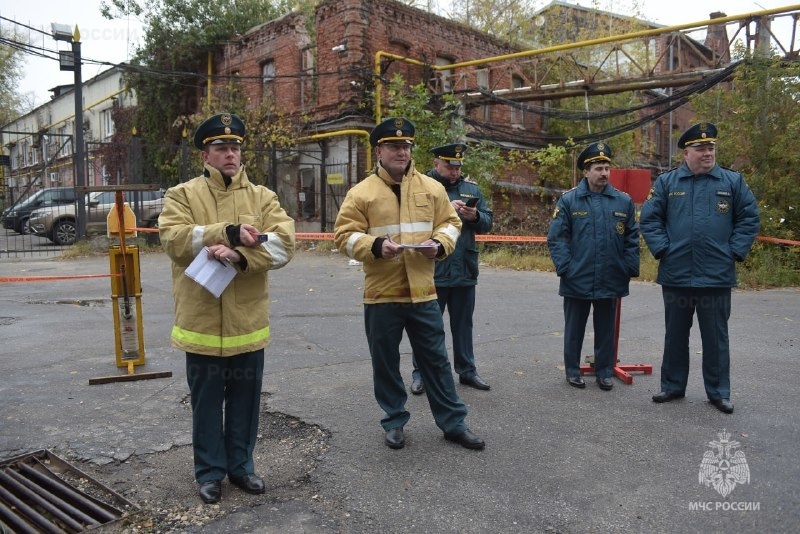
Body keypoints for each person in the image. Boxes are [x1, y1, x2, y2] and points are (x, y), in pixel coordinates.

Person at [159, 112, 296, 504]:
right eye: (221, 148)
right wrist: (225, 232)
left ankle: (242, 468)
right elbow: (174, 240)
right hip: (200, 323)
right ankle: (209, 473)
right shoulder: (182, 195)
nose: (230, 154)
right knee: (205, 406)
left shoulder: (262, 197)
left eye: (235, 147)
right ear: (206, 155)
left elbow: (285, 244)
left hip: (247, 323)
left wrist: (238, 255)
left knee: (245, 403)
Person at [333, 117, 485, 451]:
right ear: (379, 151)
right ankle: (394, 421)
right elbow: (343, 236)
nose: (401, 152)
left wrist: (440, 243)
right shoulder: (361, 193)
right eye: (393, 146)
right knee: (385, 362)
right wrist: (375, 246)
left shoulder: (432, 189)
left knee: (436, 361)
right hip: (381, 293)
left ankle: (453, 423)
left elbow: (450, 222)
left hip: (423, 292)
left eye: (406, 146)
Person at [640, 122, 759, 414]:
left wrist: (732, 252)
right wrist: (664, 250)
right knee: (675, 334)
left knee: (716, 336)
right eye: (701, 148)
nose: (708, 153)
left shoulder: (732, 182)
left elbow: (749, 219)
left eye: (711, 148)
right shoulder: (668, 183)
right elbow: (650, 219)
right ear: (686, 153)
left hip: (716, 277)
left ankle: (718, 392)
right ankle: (672, 386)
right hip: (677, 275)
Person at [547, 142, 640, 391]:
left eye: (607, 168)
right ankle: (572, 371)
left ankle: (604, 371)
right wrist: (566, 268)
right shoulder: (569, 201)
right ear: (586, 172)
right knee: (574, 328)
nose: (604, 173)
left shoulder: (623, 201)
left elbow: (631, 238)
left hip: (611, 276)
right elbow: (557, 238)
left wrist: (628, 267)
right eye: (598, 168)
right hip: (577, 276)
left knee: (606, 329)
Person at [409, 143, 493, 395]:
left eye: (458, 166)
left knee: (463, 324)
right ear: (436, 164)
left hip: (464, 270)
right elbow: (412, 222)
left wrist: (474, 216)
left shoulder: (471, 188)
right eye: (449, 166)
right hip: (432, 269)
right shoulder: (420, 187)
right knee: (426, 327)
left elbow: (488, 223)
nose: (454, 171)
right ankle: (421, 373)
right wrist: (447, 210)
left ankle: (467, 371)